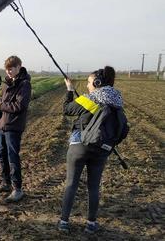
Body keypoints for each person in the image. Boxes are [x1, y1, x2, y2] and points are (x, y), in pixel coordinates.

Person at [58, 66, 122, 234]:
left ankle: (64, 221)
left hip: (80, 145)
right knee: (93, 187)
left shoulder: (91, 98)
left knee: (71, 184)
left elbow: (67, 109)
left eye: (88, 82)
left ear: (97, 82)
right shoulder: (117, 101)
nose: (87, 86)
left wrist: (70, 90)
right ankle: (91, 224)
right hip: (103, 148)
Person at [0, 55, 31, 202]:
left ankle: (17, 189)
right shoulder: (7, 83)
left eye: (11, 69)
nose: (8, 72)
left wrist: (0, 106)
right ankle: (6, 183)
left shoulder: (24, 84)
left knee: (12, 157)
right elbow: (3, 103)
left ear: (19, 67)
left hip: (13, 126)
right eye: (6, 70)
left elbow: (20, 106)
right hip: (1, 125)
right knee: (1, 155)